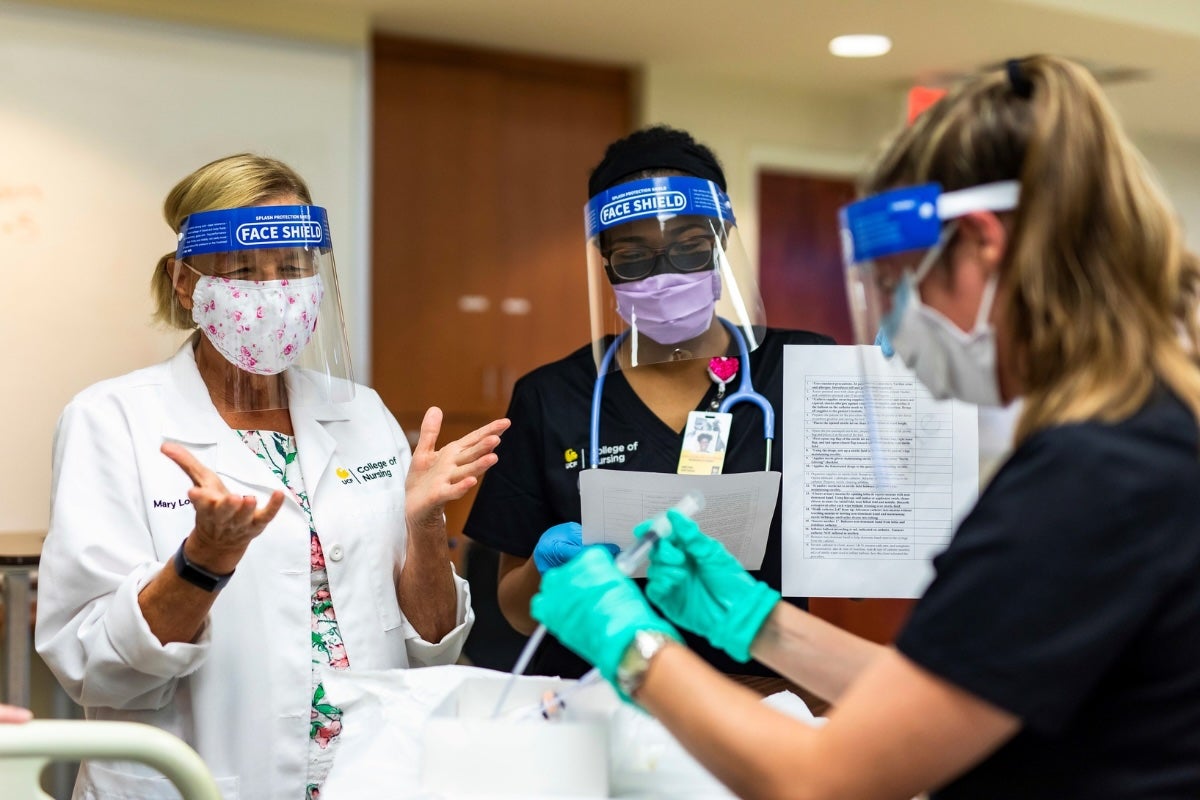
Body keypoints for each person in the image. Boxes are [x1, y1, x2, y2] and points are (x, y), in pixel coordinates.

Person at [530, 56, 1200, 799]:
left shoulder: (1091, 477)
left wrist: (633, 647)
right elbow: (944, 688)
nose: (889, 329)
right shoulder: (1145, 434)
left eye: (894, 284)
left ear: (981, 246)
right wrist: (758, 621)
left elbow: (819, 781)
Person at [34, 154, 509, 800]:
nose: (273, 291)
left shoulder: (360, 414)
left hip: (367, 777)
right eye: (243, 271)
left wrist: (424, 526)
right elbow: (93, 665)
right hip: (195, 782)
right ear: (186, 284)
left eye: (291, 268)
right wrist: (203, 561)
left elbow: (428, 647)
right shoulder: (112, 419)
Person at [463, 126, 834, 693]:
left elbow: (868, 560)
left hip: (763, 700)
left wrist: (904, 413)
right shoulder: (551, 397)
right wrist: (546, 567)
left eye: (689, 247)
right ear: (605, 261)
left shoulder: (805, 368)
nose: (664, 277)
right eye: (634, 257)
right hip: (596, 700)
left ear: (723, 238)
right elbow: (515, 611)